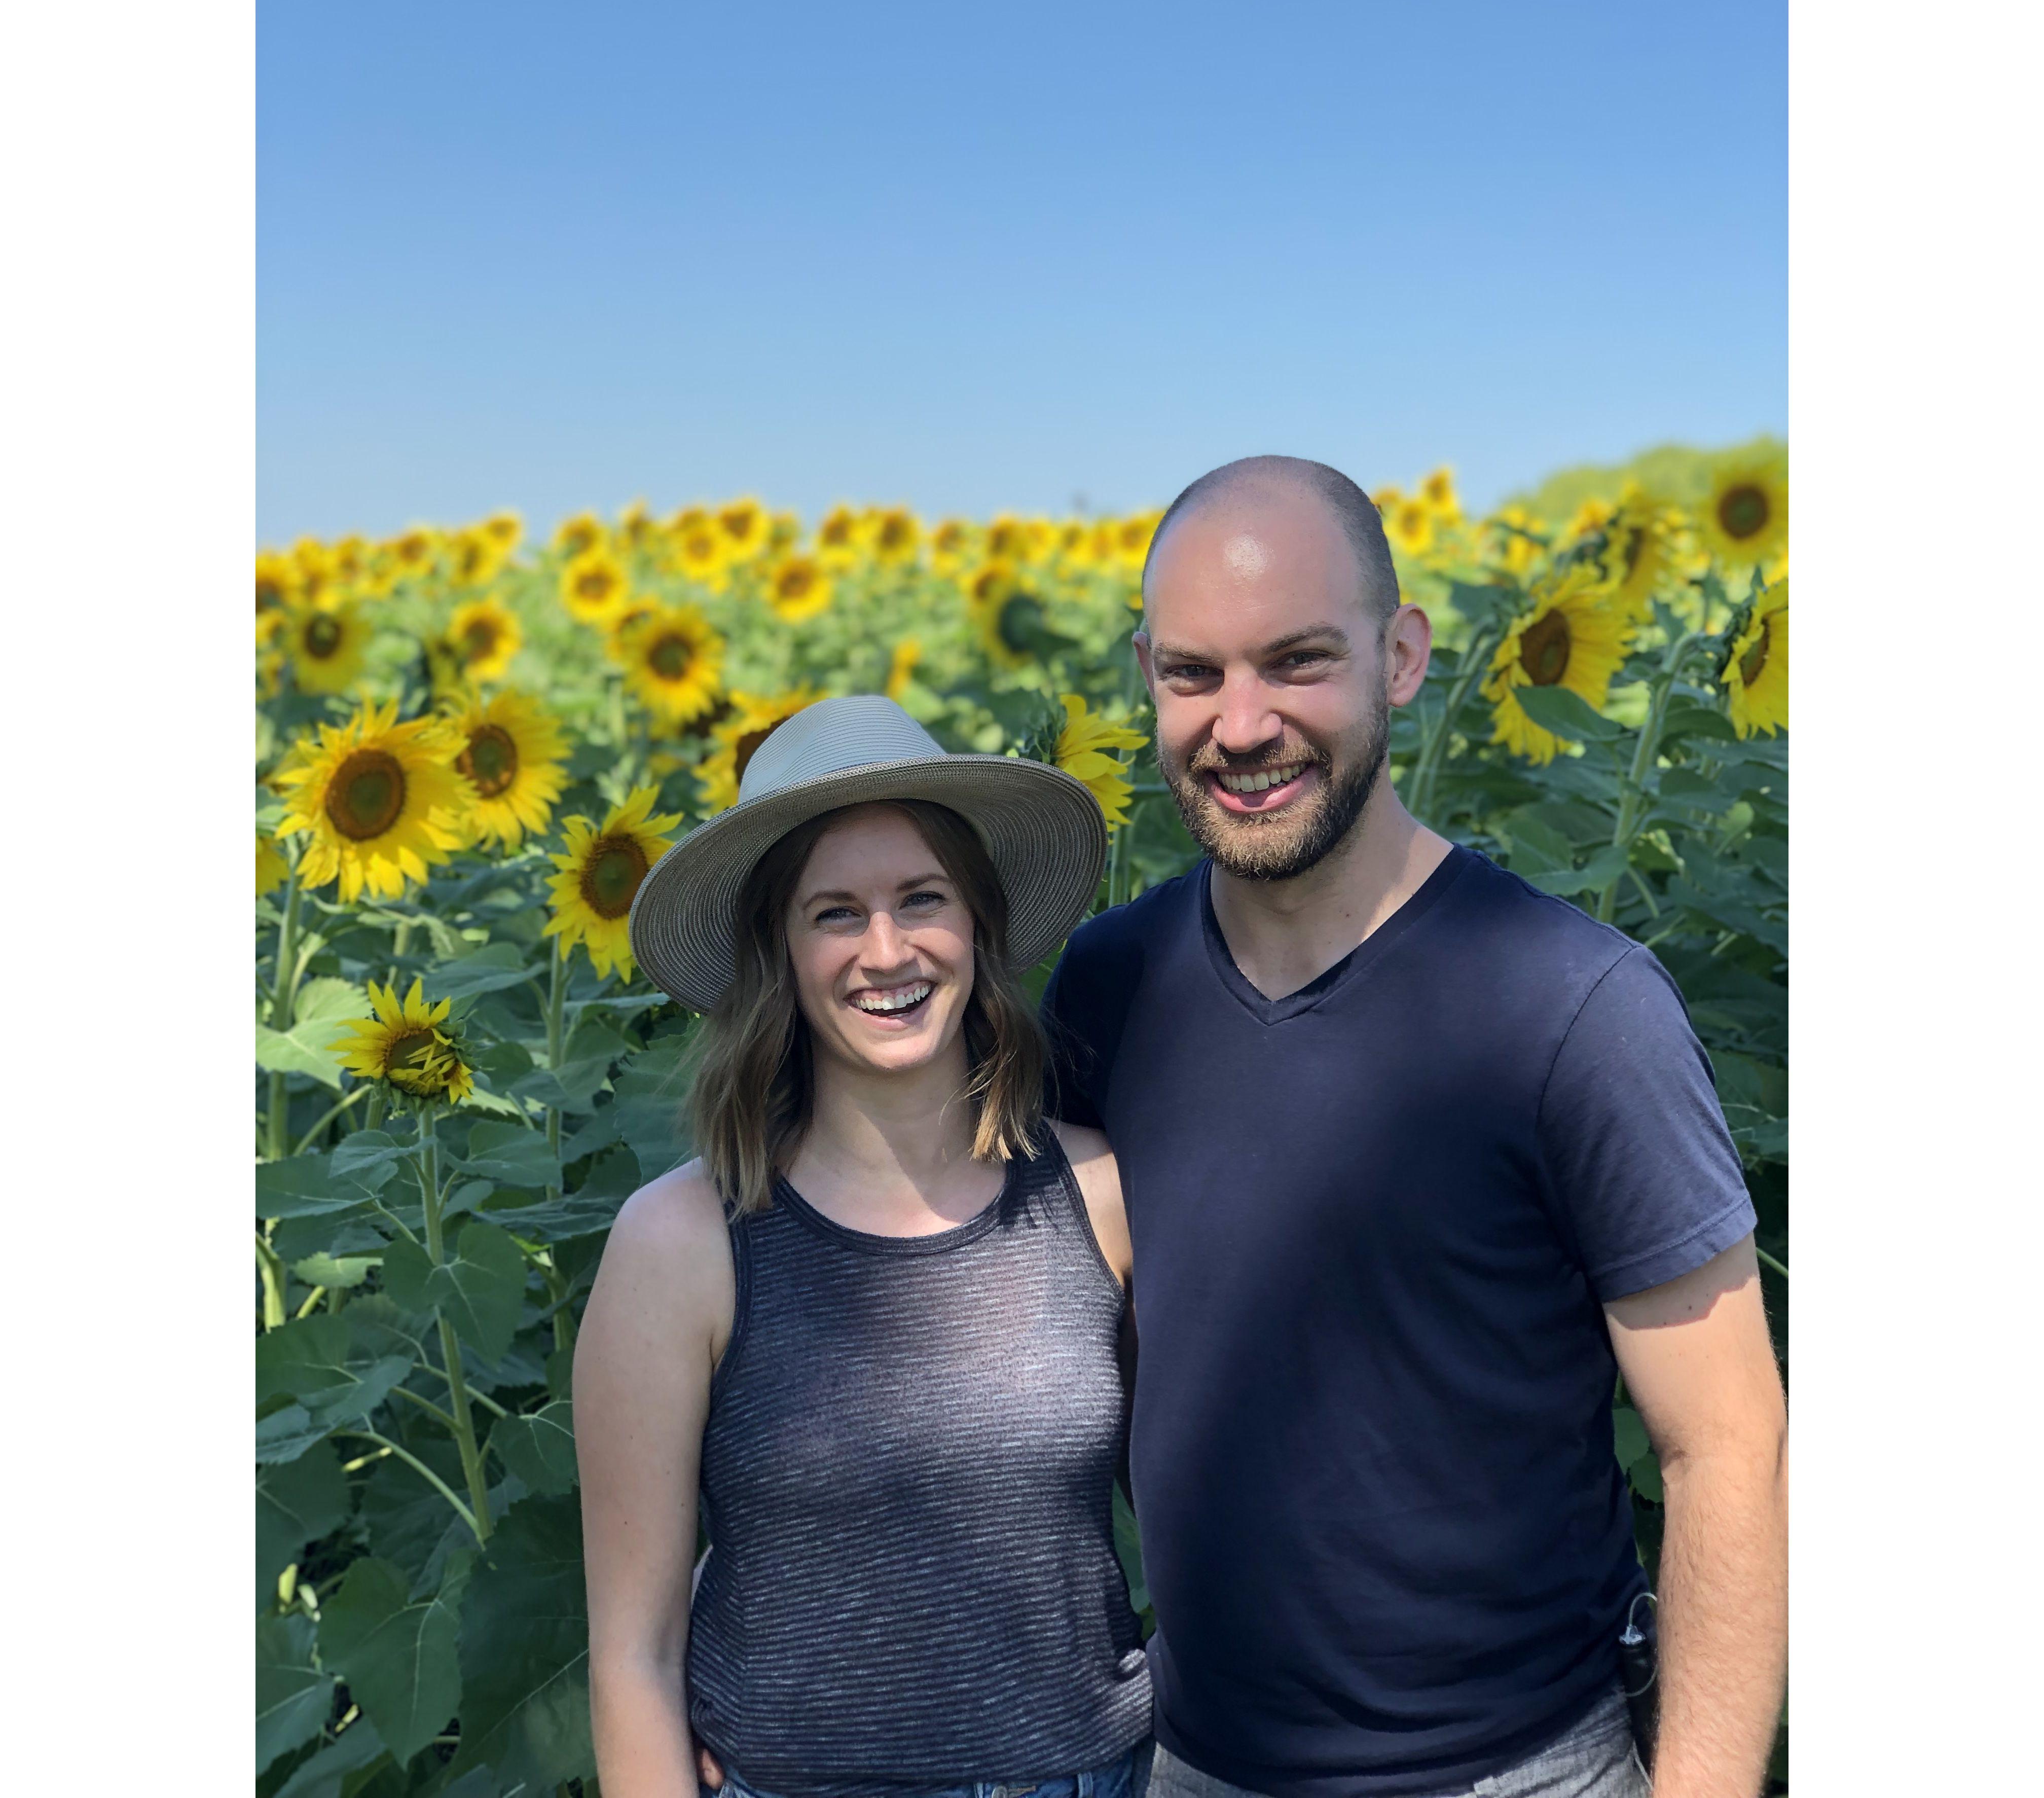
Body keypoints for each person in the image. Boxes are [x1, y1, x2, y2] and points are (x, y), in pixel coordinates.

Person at [1042, 457, 1787, 1798]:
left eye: (1298, 662)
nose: (1243, 723)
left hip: (1512, 1768)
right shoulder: (1105, 991)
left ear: (1401, 659)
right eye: (1196, 675)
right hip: (1200, 1759)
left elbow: (1729, 1445)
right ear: (1145, 672)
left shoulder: (1572, 1008)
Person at [576, 695, 1154, 1798]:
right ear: (780, 954)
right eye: (835, 913)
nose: (887, 952)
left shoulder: (1099, 1196)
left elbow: (1213, 1512)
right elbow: (633, 1660)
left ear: (977, 924)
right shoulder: (683, 1245)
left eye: (921, 900)